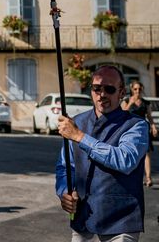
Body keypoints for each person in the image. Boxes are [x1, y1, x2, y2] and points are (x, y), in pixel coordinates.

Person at [56, 66, 149, 242]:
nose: (102, 94)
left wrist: (80, 137)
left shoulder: (136, 125)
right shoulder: (77, 122)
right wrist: (64, 191)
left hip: (121, 219)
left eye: (109, 89)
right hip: (83, 218)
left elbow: (125, 159)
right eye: (96, 88)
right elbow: (65, 166)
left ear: (121, 92)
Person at [121, 80, 157, 187]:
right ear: (132, 89)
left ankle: (148, 178)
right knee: (131, 153)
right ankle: (131, 177)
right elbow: (122, 114)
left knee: (147, 153)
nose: (137, 91)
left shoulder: (146, 103)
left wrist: (153, 127)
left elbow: (149, 117)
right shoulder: (126, 100)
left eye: (139, 89)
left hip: (143, 129)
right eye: (135, 89)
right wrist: (131, 103)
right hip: (130, 129)